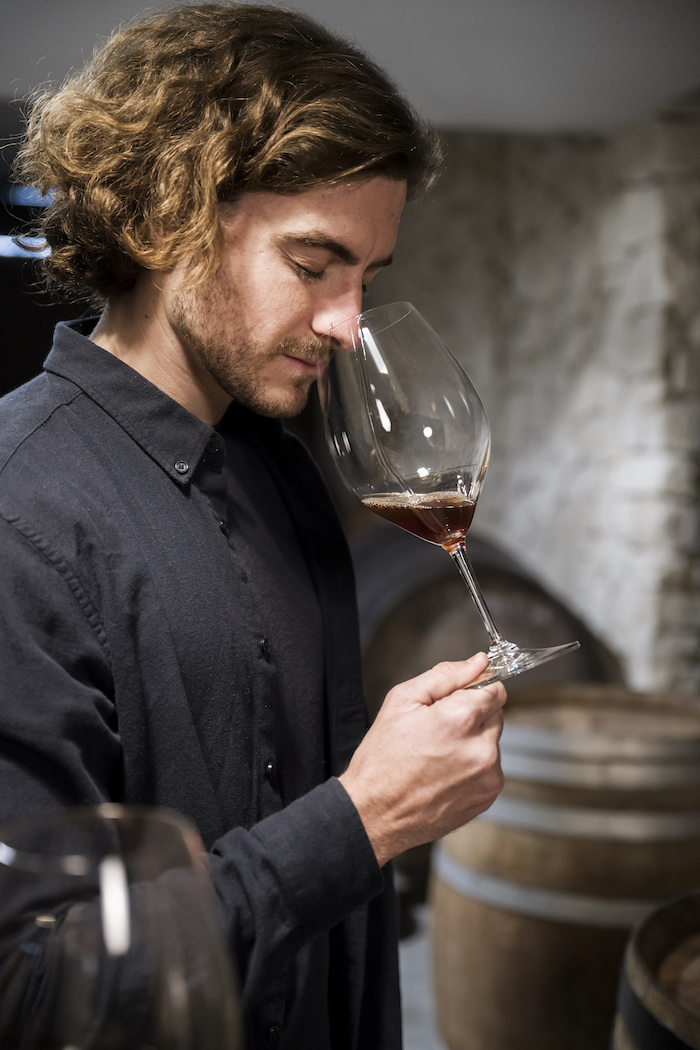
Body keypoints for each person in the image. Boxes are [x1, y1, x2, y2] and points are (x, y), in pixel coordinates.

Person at [0, 4, 506, 1047]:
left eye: (366, 278)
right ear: (169, 215)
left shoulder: (283, 471)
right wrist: (365, 818)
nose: (347, 323)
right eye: (314, 265)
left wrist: (379, 789)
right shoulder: (18, 512)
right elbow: (33, 991)